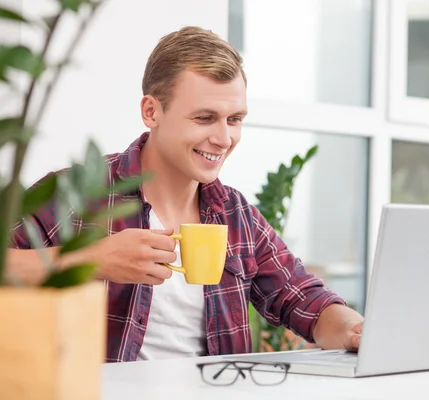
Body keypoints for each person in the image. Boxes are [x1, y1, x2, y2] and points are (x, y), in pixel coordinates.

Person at [5, 26, 363, 362]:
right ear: (151, 111)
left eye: (235, 119)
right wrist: (90, 259)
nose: (224, 139)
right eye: (205, 118)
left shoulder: (236, 215)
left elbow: (306, 301)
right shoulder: (81, 192)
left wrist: (356, 330)